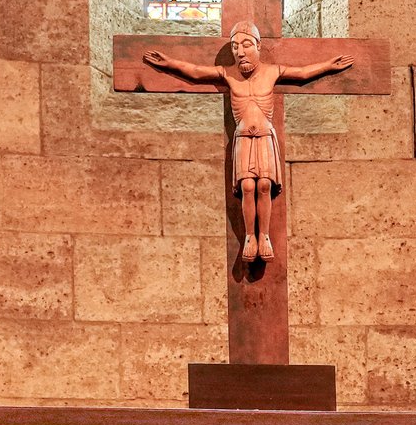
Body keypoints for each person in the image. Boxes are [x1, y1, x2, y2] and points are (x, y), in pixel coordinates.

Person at [142, 24, 352, 263]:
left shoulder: (272, 71)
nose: (240, 52)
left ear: (258, 46)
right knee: (247, 188)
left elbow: (302, 73)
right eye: (235, 46)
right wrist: (169, 63)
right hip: (243, 138)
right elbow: (196, 71)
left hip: (264, 138)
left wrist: (328, 66)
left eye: (246, 45)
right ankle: (249, 237)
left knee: (264, 185)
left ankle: (264, 236)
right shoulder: (227, 74)